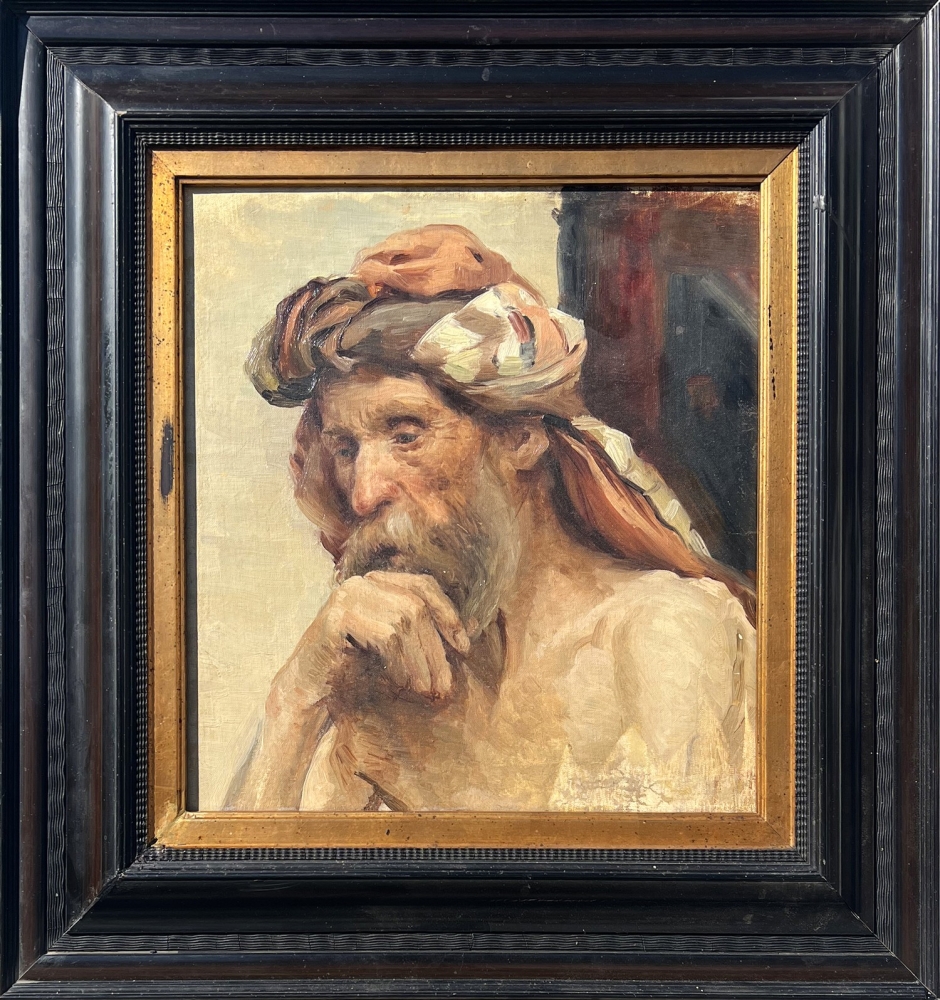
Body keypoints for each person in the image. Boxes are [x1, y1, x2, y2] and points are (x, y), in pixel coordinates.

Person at [225, 224, 756, 813]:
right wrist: (296, 694)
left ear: (521, 437)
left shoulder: (660, 633)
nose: (364, 494)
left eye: (406, 434)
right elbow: (247, 869)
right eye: (346, 448)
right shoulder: (383, 668)